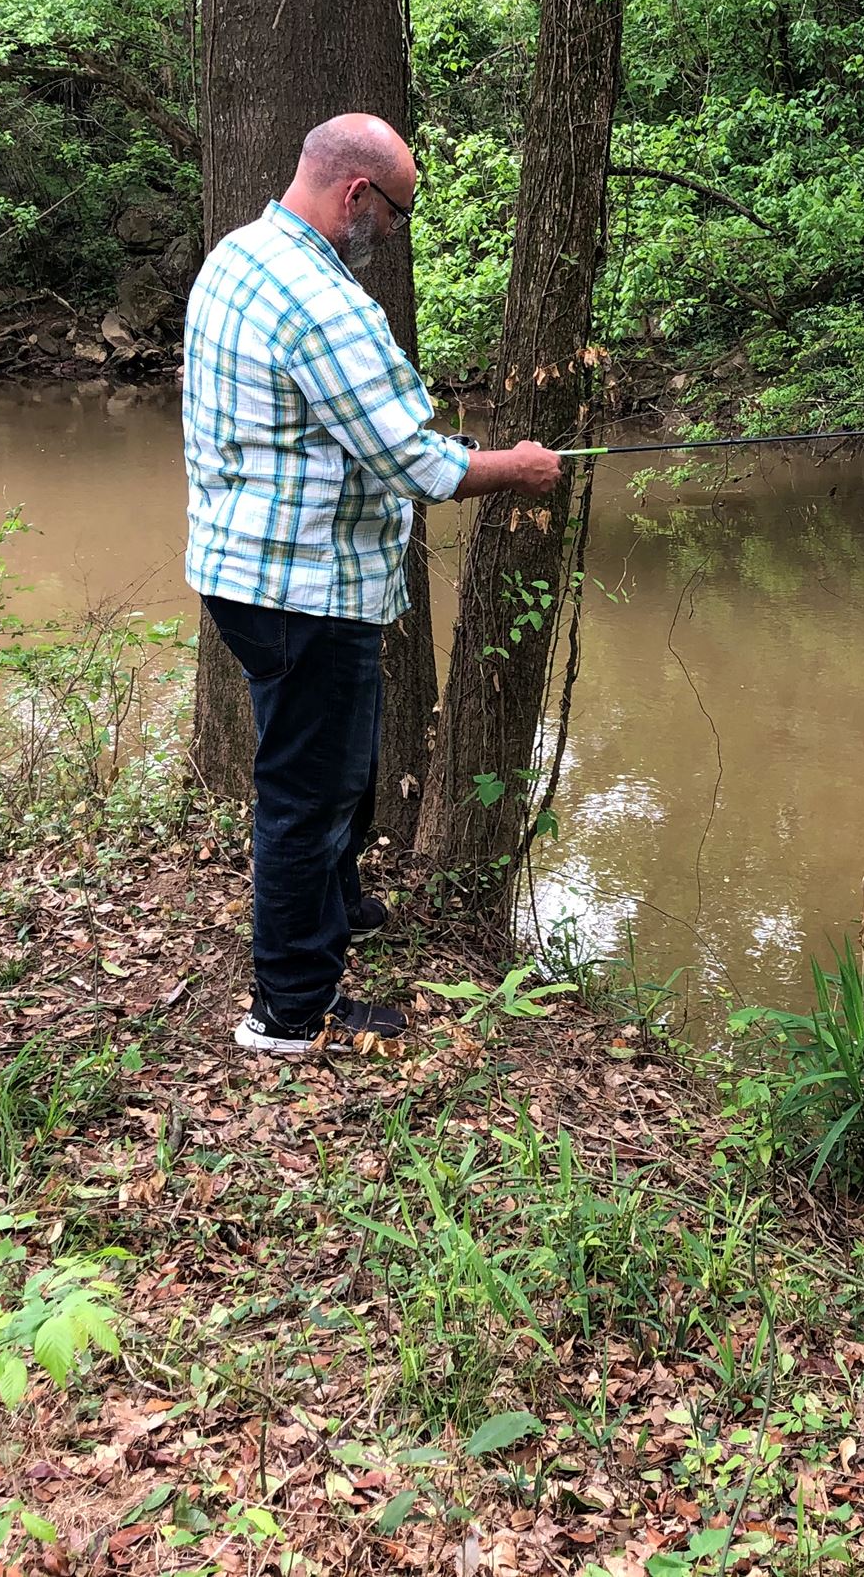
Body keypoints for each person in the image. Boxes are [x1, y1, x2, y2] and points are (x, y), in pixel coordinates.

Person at [183, 111, 564, 1055]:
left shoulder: (239, 252)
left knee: (338, 769)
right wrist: (511, 465)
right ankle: (291, 1012)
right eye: (394, 213)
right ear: (357, 194)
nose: (392, 234)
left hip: (248, 571)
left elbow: (348, 433)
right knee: (307, 796)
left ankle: (338, 903)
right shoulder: (325, 300)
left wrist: (455, 452)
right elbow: (412, 463)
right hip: (300, 589)